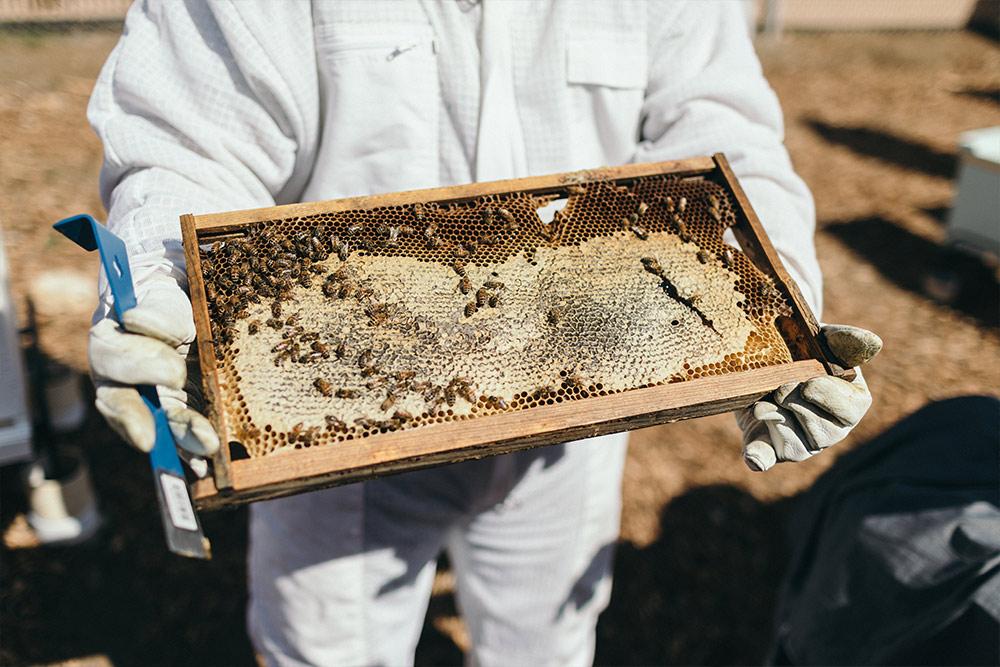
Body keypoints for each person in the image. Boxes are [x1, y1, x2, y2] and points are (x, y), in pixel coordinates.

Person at [85, 2, 880, 665]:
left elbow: (722, 128)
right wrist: (160, 290)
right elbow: (184, 144)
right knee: (327, 650)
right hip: (333, 427)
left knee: (547, 645)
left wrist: (777, 323)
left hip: (580, 408)